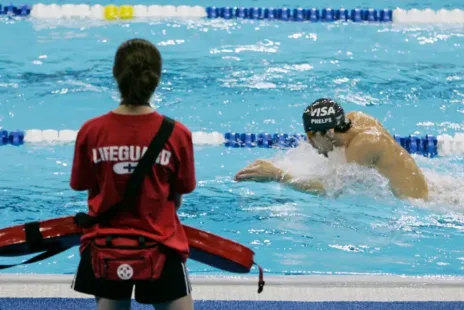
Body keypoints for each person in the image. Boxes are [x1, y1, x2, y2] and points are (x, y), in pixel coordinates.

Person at [69, 38, 196, 310]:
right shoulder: (177, 134)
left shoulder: (92, 131)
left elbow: (83, 186)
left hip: (105, 245)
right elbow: (180, 194)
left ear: (116, 75)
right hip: (161, 244)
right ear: (157, 78)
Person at [234, 98, 429, 200]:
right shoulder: (355, 120)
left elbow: (331, 190)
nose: (310, 144)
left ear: (328, 132)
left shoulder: (365, 144)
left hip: (416, 203)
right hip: (426, 187)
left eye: (311, 136)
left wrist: (277, 174)